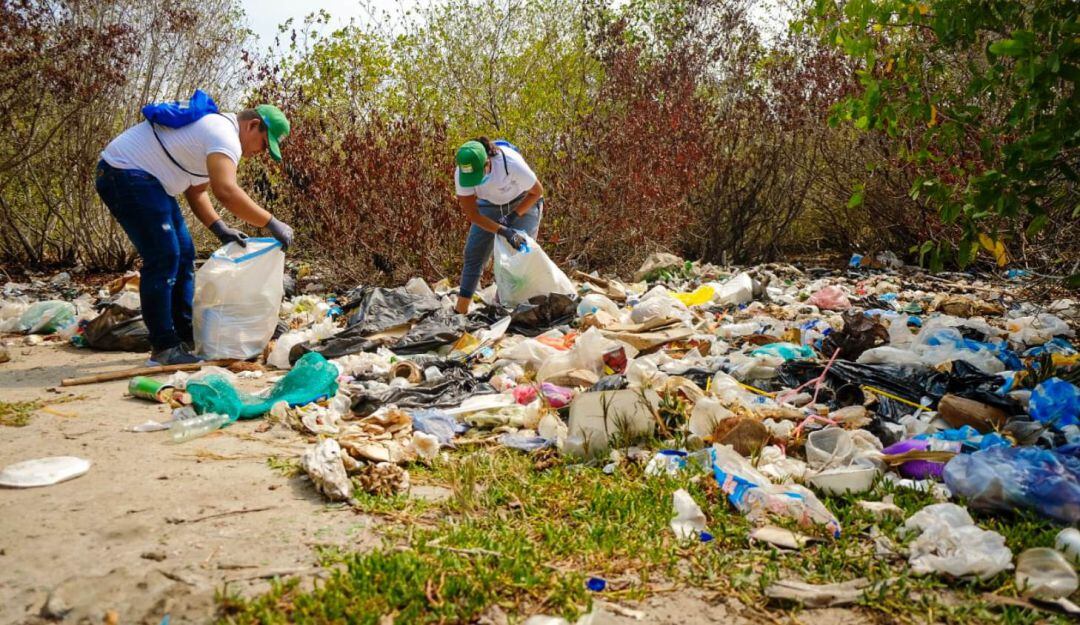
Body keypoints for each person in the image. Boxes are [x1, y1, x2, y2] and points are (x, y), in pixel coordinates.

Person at [95, 104, 294, 365]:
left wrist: (219, 227)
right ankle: (164, 347)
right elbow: (226, 191)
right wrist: (271, 222)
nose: (259, 152)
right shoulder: (224, 135)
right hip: (124, 173)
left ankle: (185, 334)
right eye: (263, 144)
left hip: (148, 181)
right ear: (253, 125)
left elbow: (197, 191)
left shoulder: (215, 134)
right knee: (164, 256)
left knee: (184, 254)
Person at [453, 137, 545, 314]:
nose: (473, 181)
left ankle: (503, 307)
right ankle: (460, 310)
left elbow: (537, 191)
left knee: (519, 253)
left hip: (523, 200)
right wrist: (503, 230)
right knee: (474, 252)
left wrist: (513, 217)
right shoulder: (461, 173)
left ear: (487, 163)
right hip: (488, 205)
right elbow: (473, 214)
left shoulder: (510, 163)